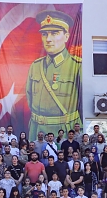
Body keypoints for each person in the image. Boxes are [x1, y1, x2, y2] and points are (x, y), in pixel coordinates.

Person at [25, 10, 81, 140]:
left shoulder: (76, 66)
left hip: (65, 130)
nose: (48, 39)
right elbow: (29, 98)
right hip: (36, 129)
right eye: (44, 34)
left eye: (55, 33)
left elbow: (81, 104)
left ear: (66, 37)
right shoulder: (35, 66)